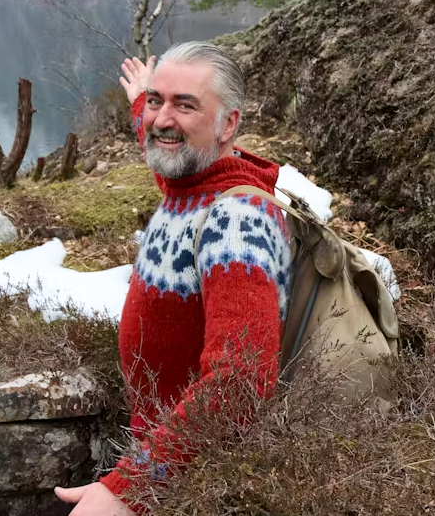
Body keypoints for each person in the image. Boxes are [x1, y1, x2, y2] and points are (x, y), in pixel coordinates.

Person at [55, 42, 293, 515]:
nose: (163, 118)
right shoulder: (193, 183)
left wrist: (127, 490)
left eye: (186, 104)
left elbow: (239, 383)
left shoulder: (236, 223)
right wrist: (143, 103)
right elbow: (169, 159)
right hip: (168, 457)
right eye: (158, 100)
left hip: (195, 478)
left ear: (228, 124)